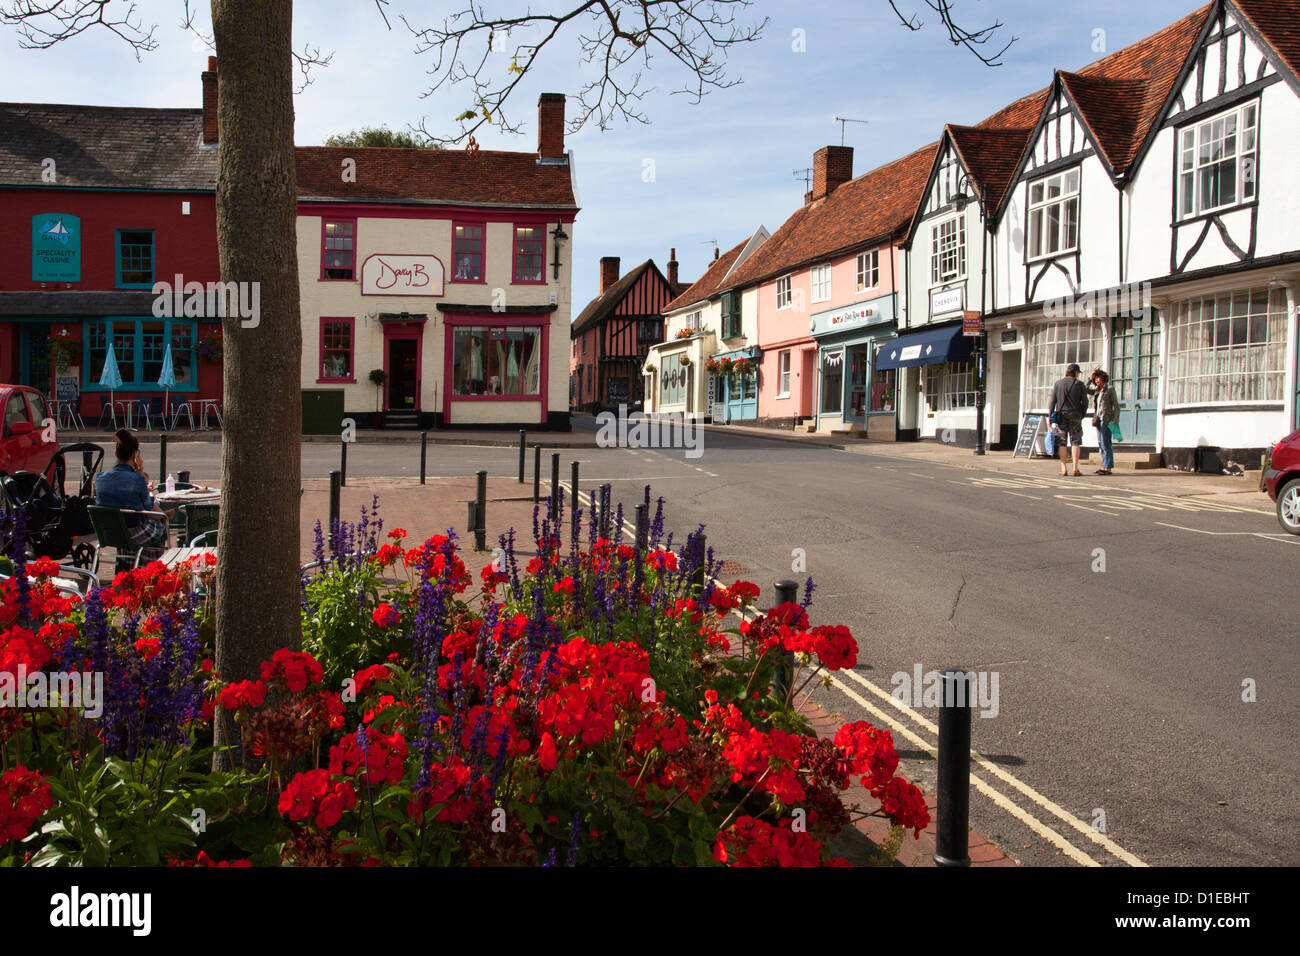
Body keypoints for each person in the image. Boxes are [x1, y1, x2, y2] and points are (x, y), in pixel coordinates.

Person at [94, 428, 172, 560]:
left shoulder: (100, 477)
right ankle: (148, 568)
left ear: (115, 453)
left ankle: (126, 567)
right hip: (133, 532)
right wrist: (140, 473)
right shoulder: (137, 479)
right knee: (160, 527)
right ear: (135, 455)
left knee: (137, 524)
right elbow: (147, 508)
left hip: (109, 534)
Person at [1048, 362, 1088, 476]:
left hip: (1061, 417)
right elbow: (1085, 402)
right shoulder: (1079, 384)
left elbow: (1052, 402)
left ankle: (1064, 468)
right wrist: (1082, 414)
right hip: (1075, 416)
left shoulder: (1058, 384)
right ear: (1075, 372)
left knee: (1062, 443)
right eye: (1078, 373)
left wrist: (1050, 417)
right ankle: (1075, 468)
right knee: (1075, 442)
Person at [1088, 368, 1119, 475]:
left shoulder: (1110, 389)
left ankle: (1108, 467)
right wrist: (1090, 378)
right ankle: (1104, 466)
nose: (1097, 380)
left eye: (1098, 378)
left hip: (1107, 420)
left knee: (1106, 443)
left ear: (1103, 378)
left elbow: (1116, 405)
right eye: (1095, 378)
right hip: (1098, 420)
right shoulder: (1097, 390)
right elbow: (1085, 389)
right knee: (1101, 443)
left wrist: (1116, 419)